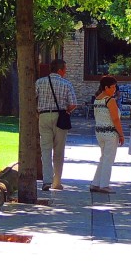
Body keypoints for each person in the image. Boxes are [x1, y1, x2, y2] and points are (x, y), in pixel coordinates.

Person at [36, 58, 77, 191]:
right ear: (60, 70)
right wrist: (67, 111)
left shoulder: (40, 82)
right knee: (59, 151)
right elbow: (73, 104)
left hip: (43, 115)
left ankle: (46, 180)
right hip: (60, 117)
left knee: (45, 149)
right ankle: (57, 182)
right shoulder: (66, 84)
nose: (65, 72)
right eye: (65, 69)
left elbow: (33, 97)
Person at [90, 76, 124, 193]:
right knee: (108, 159)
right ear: (106, 87)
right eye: (112, 87)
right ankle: (104, 184)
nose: (114, 89)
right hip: (110, 132)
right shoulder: (110, 100)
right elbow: (115, 119)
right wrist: (121, 134)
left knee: (104, 157)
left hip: (99, 132)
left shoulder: (97, 99)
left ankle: (95, 183)